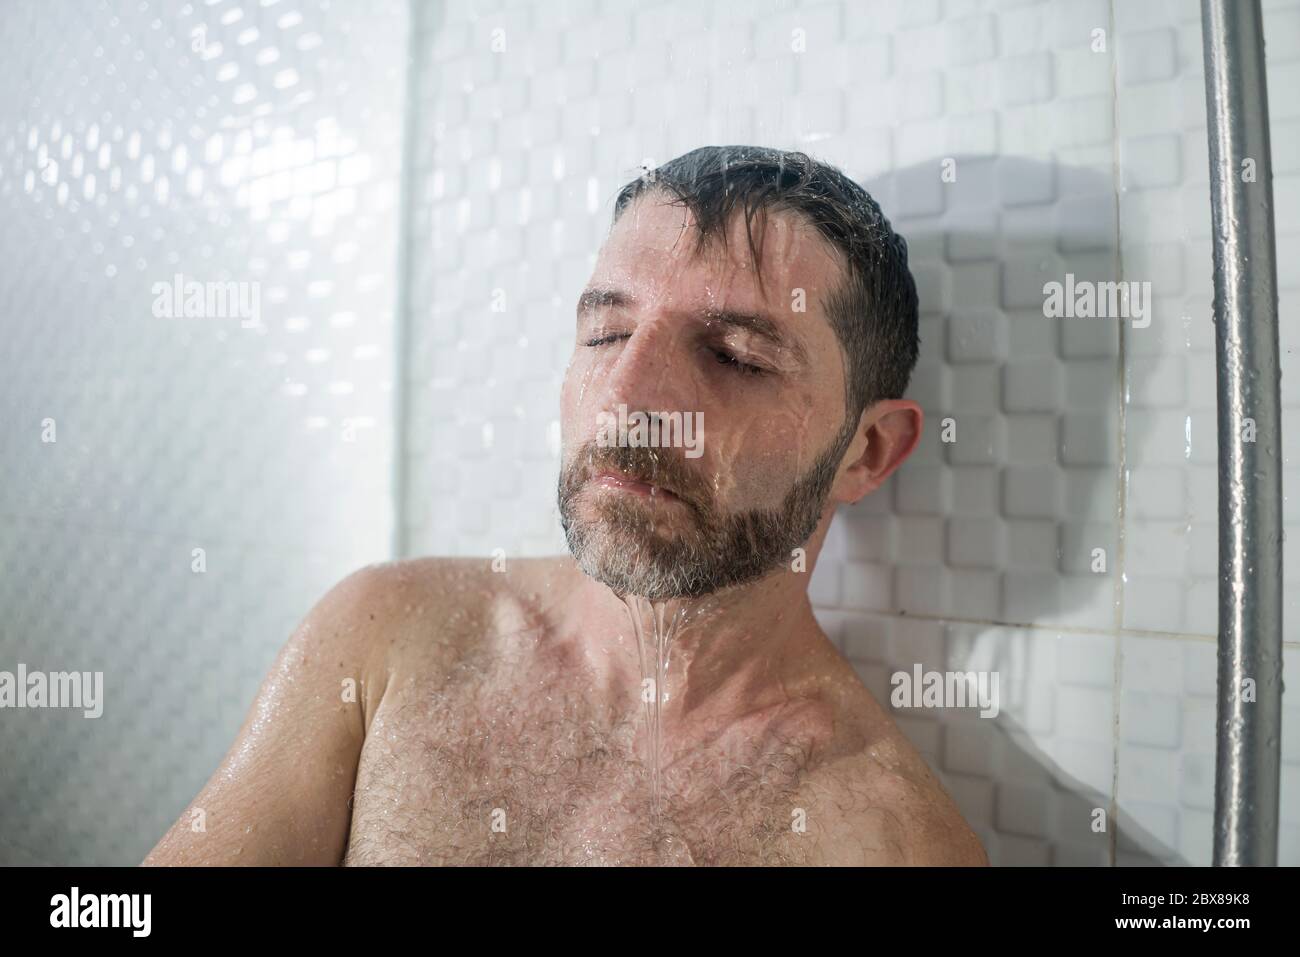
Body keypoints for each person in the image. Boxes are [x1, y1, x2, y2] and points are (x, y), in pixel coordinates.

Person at [144, 146, 988, 866]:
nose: (627, 395)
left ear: (866, 451)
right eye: (607, 334)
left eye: (736, 356)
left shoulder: (887, 841)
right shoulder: (387, 636)